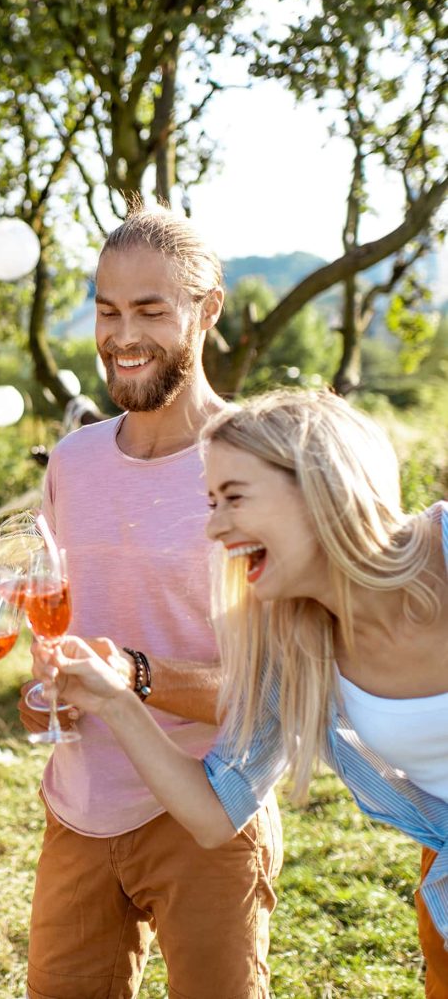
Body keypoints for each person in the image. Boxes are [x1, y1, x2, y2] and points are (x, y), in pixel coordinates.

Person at [48, 389, 448, 997]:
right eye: (210, 502)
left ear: (322, 484)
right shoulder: (294, 648)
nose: (213, 527)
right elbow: (214, 816)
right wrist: (116, 701)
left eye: (233, 498)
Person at [21, 204, 283, 999]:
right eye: (106, 310)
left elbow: (274, 693)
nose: (121, 335)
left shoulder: (259, 467)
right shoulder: (71, 463)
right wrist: (45, 693)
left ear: (206, 312)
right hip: (77, 808)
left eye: (148, 311)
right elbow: (51, 631)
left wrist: (135, 674)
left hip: (209, 809)